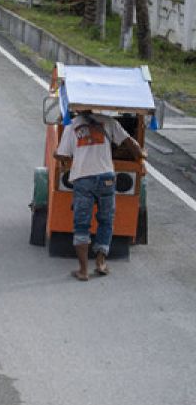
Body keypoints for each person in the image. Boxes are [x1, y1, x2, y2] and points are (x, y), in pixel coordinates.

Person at [53, 110, 146, 281]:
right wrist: (141, 155)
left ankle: (83, 271)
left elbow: (61, 154)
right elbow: (131, 144)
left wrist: (57, 152)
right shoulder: (110, 122)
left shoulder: (72, 125)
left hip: (83, 179)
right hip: (106, 179)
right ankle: (101, 263)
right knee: (106, 220)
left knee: (82, 225)